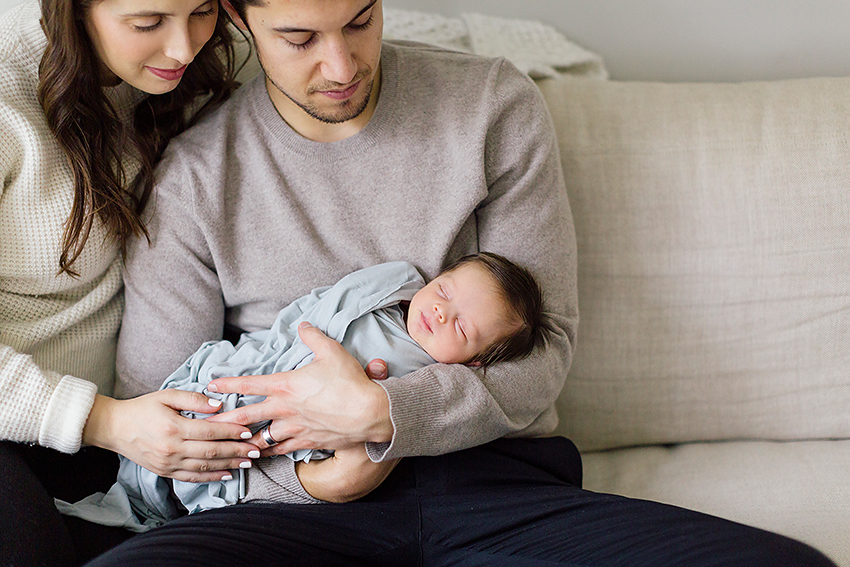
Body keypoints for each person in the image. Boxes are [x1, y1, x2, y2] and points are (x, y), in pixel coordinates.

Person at [91, 0, 836, 565]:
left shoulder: (491, 106)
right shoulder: (194, 177)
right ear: (238, 17)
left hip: (488, 481)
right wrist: (321, 481)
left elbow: (541, 354)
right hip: (278, 504)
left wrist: (384, 413)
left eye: (359, 20)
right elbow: (159, 410)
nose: (344, 65)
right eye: (300, 38)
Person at [0, 0, 269, 564]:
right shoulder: (7, 88)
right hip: (37, 419)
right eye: (147, 23)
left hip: (109, 430)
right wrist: (108, 422)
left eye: (201, 11)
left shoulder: (209, 61)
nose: (183, 47)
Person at [60, 253, 549, 531]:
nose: (441, 312)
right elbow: (304, 315)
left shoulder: (428, 381)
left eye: (462, 327)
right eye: (445, 291)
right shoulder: (390, 288)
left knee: (219, 462)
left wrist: (376, 411)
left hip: (281, 456)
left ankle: (162, 502)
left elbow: (354, 454)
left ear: (475, 362)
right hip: (242, 374)